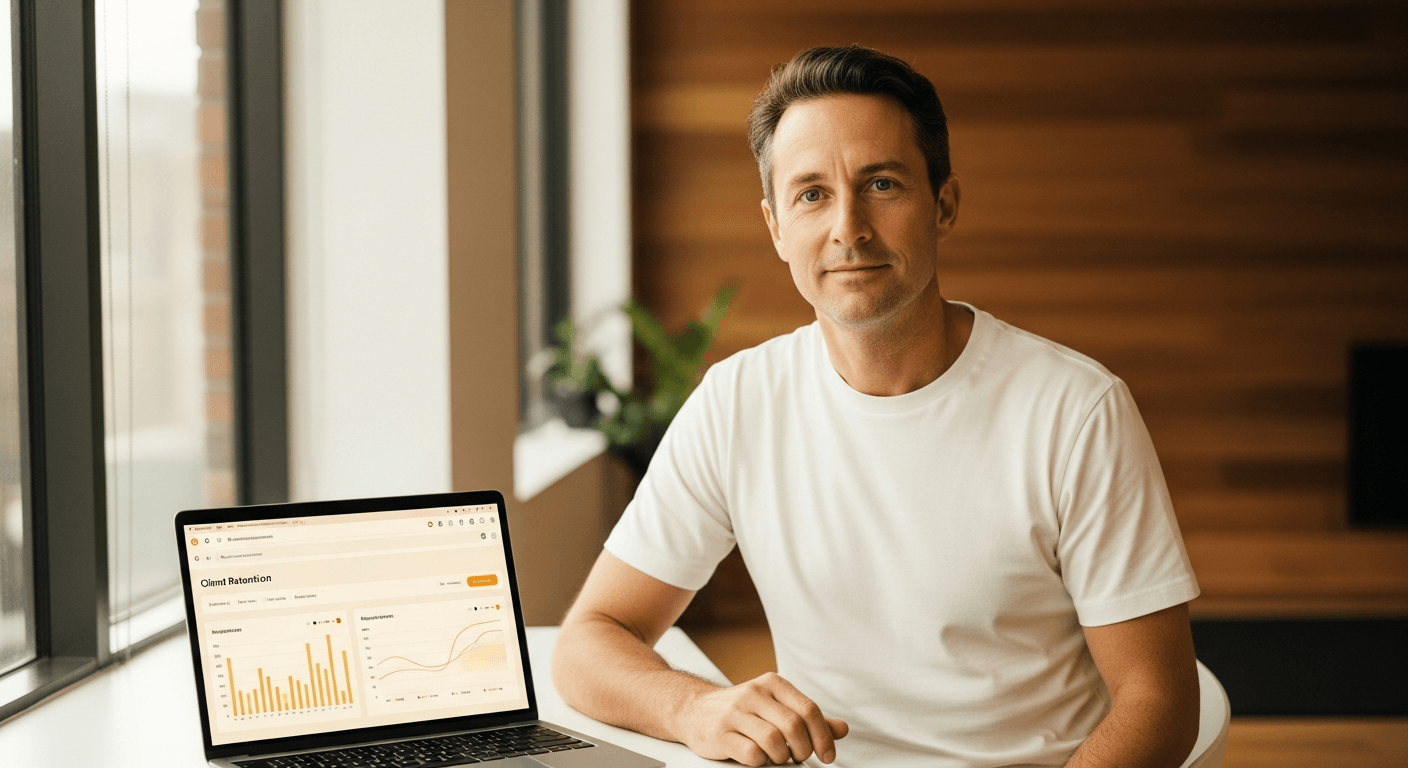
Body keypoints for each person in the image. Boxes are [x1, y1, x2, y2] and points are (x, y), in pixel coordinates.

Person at [552, 45, 1202, 768]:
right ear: (775, 227)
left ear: (943, 205)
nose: (848, 229)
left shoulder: (1075, 410)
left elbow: (1159, 700)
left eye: (882, 184)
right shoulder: (737, 402)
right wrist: (695, 708)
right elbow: (589, 640)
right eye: (811, 194)